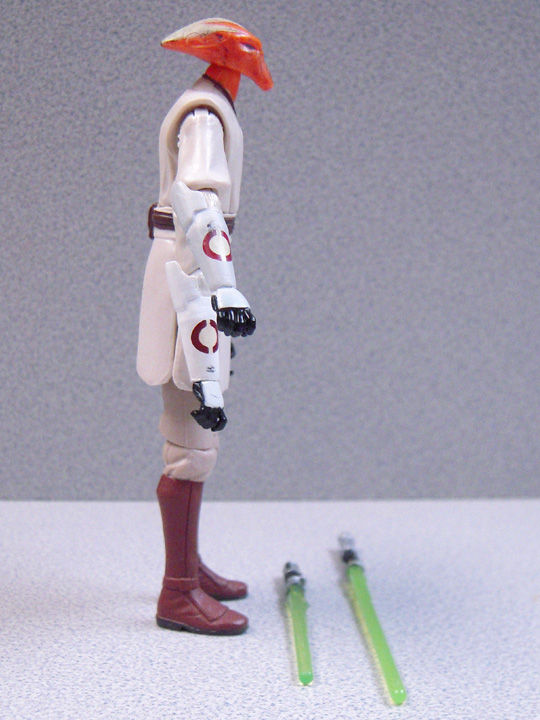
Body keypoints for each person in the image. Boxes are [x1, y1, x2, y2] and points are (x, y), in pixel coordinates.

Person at [137, 18, 273, 635]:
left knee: (197, 432)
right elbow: (200, 209)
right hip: (192, 278)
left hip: (192, 274)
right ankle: (178, 590)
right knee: (191, 442)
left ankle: (189, 567)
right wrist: (222, 290)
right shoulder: (206, 116)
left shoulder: (210, 106)